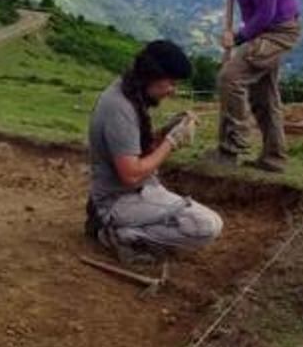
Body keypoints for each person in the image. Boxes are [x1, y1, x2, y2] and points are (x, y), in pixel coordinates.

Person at [85, 41, 223, 262]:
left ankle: (126, 230)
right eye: (170, 82)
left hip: (143, 190)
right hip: (120, 198)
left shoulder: (130, 94)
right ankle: (117, 233)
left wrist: (167, 129)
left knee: (201, 222)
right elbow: (130, 174)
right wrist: (171, 141)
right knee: (206, 226)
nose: (172, 90)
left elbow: (137, 149)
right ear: (152, 76)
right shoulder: (119, 108)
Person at [200, 0, 303, 173]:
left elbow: (265, 15)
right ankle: (274, 158)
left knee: (230, 78)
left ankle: (232, 146)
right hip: (264, 30)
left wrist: (237, 37)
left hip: (276, 32)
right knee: (264, 97)